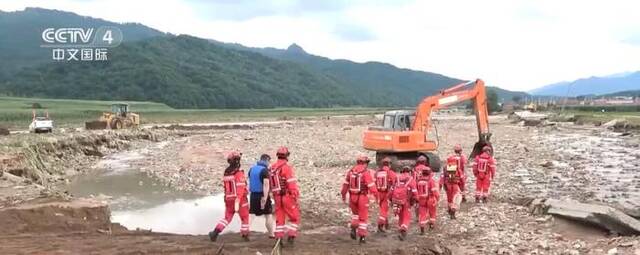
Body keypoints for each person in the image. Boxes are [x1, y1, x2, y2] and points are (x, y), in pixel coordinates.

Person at [209, 151, 250, 242]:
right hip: (240, 200)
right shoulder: (238, 174)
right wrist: (238, 200)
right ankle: (245, 235)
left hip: (228, 199)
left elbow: (226, 188)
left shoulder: (226, 173)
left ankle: (215, 232)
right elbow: (240, 187)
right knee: (245, 217)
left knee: (227, 218)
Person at [341, 155, 378, 244]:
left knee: (355, 215)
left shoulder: (350, 172)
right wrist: (377, 197)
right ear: (365, 163)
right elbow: (372, 187)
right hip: (362, 197)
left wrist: (343, 195)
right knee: (363, 217)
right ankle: (362, 237)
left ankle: (353, 228)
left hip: (352, 197)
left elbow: (345, 186)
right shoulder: (365, 173)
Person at [268, 147, 300, 245]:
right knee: (294, 217)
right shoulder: (286, 168)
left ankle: (279, 238)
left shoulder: (272, 168)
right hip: (287, 196)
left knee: (280, 218)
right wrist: (295, 196)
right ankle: (291, 236)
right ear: (287, 156)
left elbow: (269, 183)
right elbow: (291, 184)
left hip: (276, 196)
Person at [248, 154, 275, 238]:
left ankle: (244, 231)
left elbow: (250, 181)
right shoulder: (264, 171)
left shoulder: (251, 169)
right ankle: (271, 234)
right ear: (267, 160)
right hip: (262, 194)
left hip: (253, 195)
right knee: (268, 214)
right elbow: (266, 185)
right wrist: (265, 197)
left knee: (251, 214)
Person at [391, 166, 417, 241]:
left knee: (400, 216)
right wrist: (416, 200)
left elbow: (392, 189)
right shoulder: (411, 179)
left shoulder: (397, 178)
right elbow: (415, 192)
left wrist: (390, 199)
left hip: (396, 200)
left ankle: (400, 228)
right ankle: (403, 230)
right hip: (406, 201)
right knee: (406, 217)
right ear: (409, 172)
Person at [441, 145, 466, 218]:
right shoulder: (458, 167)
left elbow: (442, 177)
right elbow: (461, 177)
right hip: (455, 184)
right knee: (457, 197)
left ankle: (449, 208)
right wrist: (462, 186)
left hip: (448, 184)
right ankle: (453, 210)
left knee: (449, 197)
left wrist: (441, 185)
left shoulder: (445, 167)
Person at [374, 157, 396, 232]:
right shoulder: (391, 173)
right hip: (387, 193)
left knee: (383, 209)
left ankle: (386, 224)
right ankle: (380, 224)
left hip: (379, 193)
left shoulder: (377, 173)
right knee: (384, 210)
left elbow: (374, 183)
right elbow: (394, 185)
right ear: (389, 164)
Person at [416, 163, 439, 233]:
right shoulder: (431, 181)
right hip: (430, 199)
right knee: (432, 212)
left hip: (421, 199)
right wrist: (437, 198)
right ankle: (431, 225)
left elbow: (416, 190)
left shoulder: (419, 180)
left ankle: (422, 228)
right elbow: (434, 191)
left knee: (422, 214)